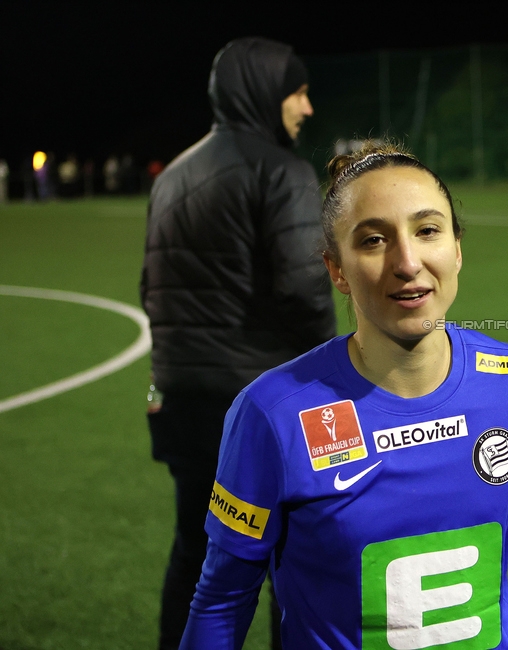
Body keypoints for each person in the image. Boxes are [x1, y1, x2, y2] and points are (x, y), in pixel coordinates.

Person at [179, 143, 508, 650]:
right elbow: (225, 598)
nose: (407, 262)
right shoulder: (273, 414)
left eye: (428, 230)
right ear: (337, 269)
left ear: (457, 248)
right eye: (374, 239)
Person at [140, 37, 336, 650]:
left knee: (198, 557)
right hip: (261, 407)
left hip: (184, 400)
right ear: (265, 91)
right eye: (296, 91)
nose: (306, 106)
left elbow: (150, 288)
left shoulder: (172, 175)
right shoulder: (280, 169)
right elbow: (306, 290)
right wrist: (334, 375)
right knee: (292, 562)